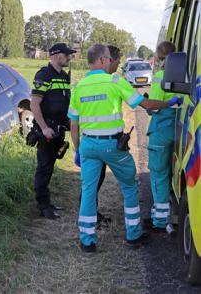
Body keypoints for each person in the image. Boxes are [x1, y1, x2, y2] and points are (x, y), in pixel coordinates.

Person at [68, 44, 183, 252]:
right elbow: (145, 105)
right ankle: (133, 235)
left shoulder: (79, 86)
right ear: (103, 60)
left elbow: (74, 124)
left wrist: (77, 150)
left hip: (88, 145)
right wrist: (171, 103)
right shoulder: (114, 81)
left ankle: (87, 240)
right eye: (109, 58)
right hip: (113, 145)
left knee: (88, 190)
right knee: (129, 187)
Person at [78, 45, 123, 228]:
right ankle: (90, 215)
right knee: (93, 184)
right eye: (116, 61)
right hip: (104, 144)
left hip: (90, 143)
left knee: (92, 182)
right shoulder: (112, 81)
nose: (117, 65)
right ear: (107, 59)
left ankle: (90, 218)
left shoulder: (84, 84)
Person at [31, 43, 76, 219]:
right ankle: (43, 206)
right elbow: (34, 104)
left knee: (49, 168)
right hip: (47, 132)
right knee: (44, 168)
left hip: (59, 131)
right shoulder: (44, 75)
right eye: (67, 55)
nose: (69, 58)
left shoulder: (64, 76)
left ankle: (47, 203)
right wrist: (44, 128)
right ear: (57, 55)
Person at [146, 41, 182, 231]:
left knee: (159, 175)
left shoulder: (160, 77)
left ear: (159, 57)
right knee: (171, 171)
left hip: (160, 132)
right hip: (178, 130)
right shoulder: (185, 75)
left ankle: (159, 220)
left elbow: (152, 107)